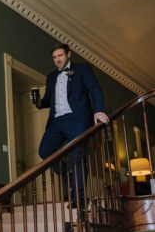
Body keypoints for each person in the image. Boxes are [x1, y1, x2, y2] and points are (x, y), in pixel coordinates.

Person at [33, 43, 109, 207]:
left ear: (68, 54)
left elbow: (95, 89)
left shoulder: (82, 69)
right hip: (57, 120)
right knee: (45, 151)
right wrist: (38, 102)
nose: (57, 60)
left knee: (77, 156)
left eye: (60, 56)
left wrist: (99, 110)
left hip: (77, 118)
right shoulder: (51, 76)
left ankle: (79, 199)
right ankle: (68, 175)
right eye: (54, 57)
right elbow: (48, 100)